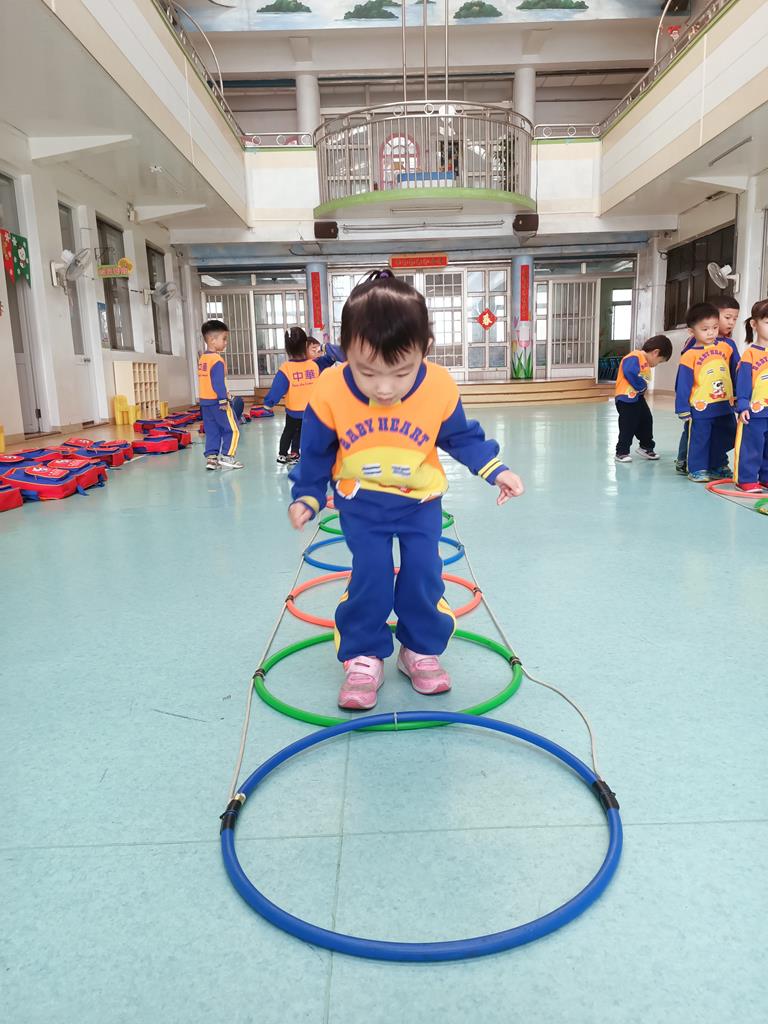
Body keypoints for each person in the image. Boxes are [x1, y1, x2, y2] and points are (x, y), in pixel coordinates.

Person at [286, 270, 525, 711]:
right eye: (367, 371)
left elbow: (459, 435)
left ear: (424, 349)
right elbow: (316, 452)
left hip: (420, 502)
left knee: (423, 573)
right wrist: (308, 495)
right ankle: (363, 654)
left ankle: (419, 649)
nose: (384, 387)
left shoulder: (438, 385)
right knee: (372, 574)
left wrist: (495, 469)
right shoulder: (329, 389)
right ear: (345, 350)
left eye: (401, 372)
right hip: (361, 503)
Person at [675, 296, 740, 475]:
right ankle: (694, 466)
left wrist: (739, 395)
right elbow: (684, 380)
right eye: (705, 329)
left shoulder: (728, 346)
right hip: (701, 403)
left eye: (714, 328)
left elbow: (736, 370)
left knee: (726, 433)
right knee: (698, 436)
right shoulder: (691, 351)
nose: (711, 332)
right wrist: (682, 406)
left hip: (724, 402)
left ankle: (717, 463)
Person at [263, 327, 342, 464]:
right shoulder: (315, 365)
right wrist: (325, 347)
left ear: (287, 348)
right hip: (311, 411)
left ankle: (283, 454)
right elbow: (332, 357)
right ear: (305, 345)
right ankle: (303, 454)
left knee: (289, 432)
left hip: (293, 412)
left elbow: (277, 388)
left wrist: (268, 403)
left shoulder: (286, 368)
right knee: (306, 433)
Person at [613, 335, 672, 463]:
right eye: (660, 361)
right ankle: (621, 451)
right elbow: (629, 371)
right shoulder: (635, 356)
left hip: (637, 398)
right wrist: (641, 386)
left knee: (646, 419)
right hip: (625, 398)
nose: (657, 365)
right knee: (628, 424)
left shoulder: (645, 363)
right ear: (655, 352)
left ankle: (646, 446)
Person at [197, 319, 243, 471]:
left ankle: (211, 459)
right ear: (212, 340)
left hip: (205, 403)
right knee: (233, 429)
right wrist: (223, 400)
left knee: (212, 431)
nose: (225, 342)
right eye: (224, 339)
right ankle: (227, 457)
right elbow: (218, 383)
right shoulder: (217, 360)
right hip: (218, 402)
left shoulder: (203, 358)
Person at [734, 299, 768, 492]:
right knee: (752, 446)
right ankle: (746, 479)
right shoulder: (750, 354)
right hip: (755, 412)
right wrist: (743, 404)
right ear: (754, 324)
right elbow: (744, 382)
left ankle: (765, 478)